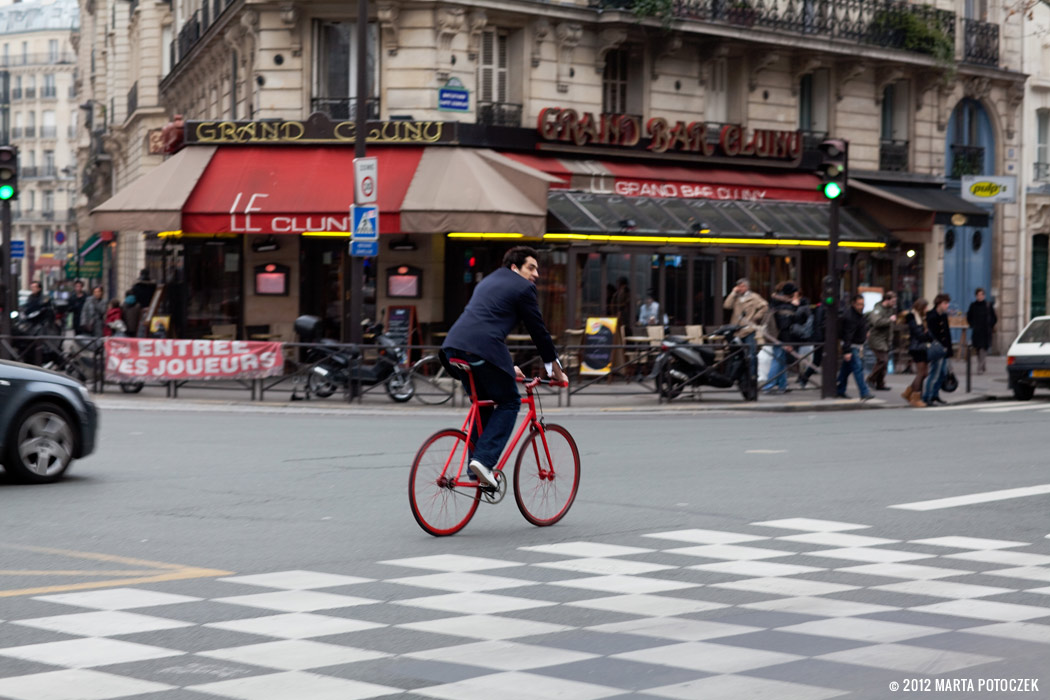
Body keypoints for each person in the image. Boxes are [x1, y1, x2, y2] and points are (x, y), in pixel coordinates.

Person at [441, 246, 567, 489]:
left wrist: (507, 367)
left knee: (483, 407)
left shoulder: (488, 281)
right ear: (514, 268)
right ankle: (483, 462)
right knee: (510, 402)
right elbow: (538, 331)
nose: (536, 274)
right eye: (531, 267)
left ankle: (476, 472)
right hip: (481, 350)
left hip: (453, 348)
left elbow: (485, 324)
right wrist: (555, 370)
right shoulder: (523, 288)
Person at [763, 282, 808, 394]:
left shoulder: (777, 302)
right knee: (777, 359)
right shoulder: (786, 307)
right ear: (791, 293)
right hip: (780, 337)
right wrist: (786, 343)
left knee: (781, 360)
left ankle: (782, 385)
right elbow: (785, 327)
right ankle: (768, 386)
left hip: (775, 335)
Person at [723, 278, 768, 378]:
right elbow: (727, 305)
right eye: (739, 286)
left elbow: (765, 306)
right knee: (736, 355)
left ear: (747, 287)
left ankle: (752, 375)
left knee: (751, 354)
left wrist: (756, 317)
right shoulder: (736, 297)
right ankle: (737, 376)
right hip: (736, 330)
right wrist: (733, 293)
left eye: (742, 286)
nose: (740, 288)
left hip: (749, 330)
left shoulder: (754, 297)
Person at [836, 293, 873, 400]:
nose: (861, 306)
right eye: (859, 304)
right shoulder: (850, 316)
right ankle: (864, 392)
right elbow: (847, 335)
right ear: (853, 304)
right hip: (852, 346)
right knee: (858, 369)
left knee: (845, 370)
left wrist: (865, 332)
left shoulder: (857, 314)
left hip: (855, 345)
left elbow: (860, 326)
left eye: (862, 304)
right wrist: (846, 351)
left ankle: (840, 389)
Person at [923, 293, 953, 406]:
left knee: (942, 374)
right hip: (937, 349)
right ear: (939, 304)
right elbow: (931, 334)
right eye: (945, 303)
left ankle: (935, 395)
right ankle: (927, 396)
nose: (947, 305)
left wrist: (949, 350)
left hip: (944, 349)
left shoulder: (944, 316)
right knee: (934, 373)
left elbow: (947, 333)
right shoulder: (931, 315)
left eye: (947, 303)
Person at [865, 291, 897, 391]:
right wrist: (890, 320)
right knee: (883, 360)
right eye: (892, 301)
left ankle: (880, 383)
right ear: (886, 300)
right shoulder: (877, 309)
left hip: (885, 340)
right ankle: (870, 379)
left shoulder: (890, 309)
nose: (894, 303)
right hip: (877, 339)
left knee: (883, 362)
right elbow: (876, 322)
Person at [903, 298, 931, 407]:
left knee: (925, 373)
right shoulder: (913, 318)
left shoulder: (922, 318)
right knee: (921, 373)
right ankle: (915, 397)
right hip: (917, 348)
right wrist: (926, 334)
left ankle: (908, 392)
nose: (927, 309)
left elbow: (926, 333)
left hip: (922, 347)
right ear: (921, 308)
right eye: (925, 307)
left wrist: (927, 333)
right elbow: (919, 334)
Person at [967, 287, 997, 374]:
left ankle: (979, 368)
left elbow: (994, 318)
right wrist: (972, 324)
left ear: (984, 295)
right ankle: (982, 365)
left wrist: (990, 325)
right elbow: (969, 317)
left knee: (983, 349)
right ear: (976, 296)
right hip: (977, 331)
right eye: (978, 295)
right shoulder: (973, 305)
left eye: (981, 294)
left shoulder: (988, 305)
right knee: (977, 349)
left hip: (986, 331)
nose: (980, 296)